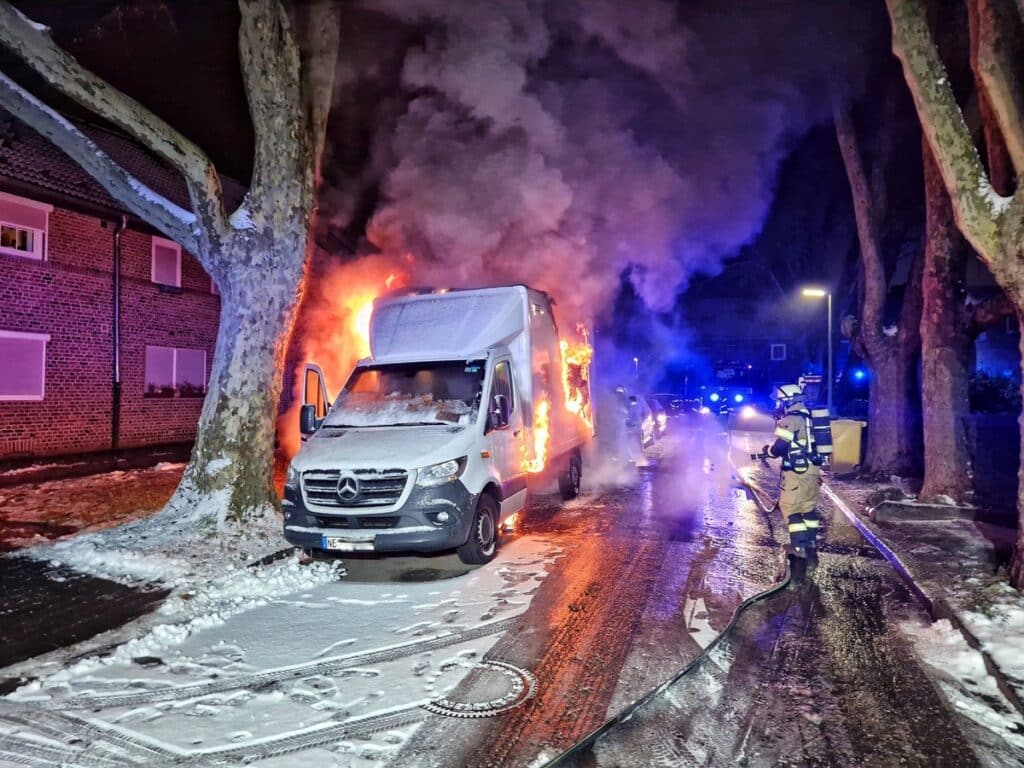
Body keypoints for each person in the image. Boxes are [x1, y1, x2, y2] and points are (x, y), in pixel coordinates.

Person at [762, 383, 823, 559]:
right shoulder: (809, 416)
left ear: (789, 401)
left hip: (797, 471)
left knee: (790, 507)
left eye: (780, 401)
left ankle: (798, 547)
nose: (778, 405)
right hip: (813, 469)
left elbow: (780, 448)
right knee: (808, 506)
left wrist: (768, 451)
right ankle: (811, 542)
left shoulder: (790, 420)